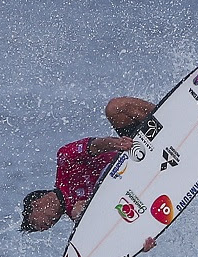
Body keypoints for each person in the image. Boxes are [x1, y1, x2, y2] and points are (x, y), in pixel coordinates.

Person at [20, 96, 159, 241]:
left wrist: (115, 144)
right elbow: (114, 232)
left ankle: (170, 121)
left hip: (136, 153)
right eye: (41, 229)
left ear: (36, 204)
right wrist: (142, 241)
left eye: (37, 223)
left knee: (115, 108)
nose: (45, 228)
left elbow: (95, 146)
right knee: (79, 212)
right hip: (141, 185)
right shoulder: (77, 215)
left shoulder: (64, 162)